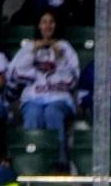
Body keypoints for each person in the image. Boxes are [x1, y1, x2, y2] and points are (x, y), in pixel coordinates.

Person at [7, 9, 80, 170]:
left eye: (51, 22)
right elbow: (15, 72)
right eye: (44, 22)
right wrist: (32, 52)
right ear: (39, 25)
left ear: (56, 25)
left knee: (52, 112)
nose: (48, 26)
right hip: (33, 98)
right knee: (33, 113)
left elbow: (73, 79)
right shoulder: (29, 46)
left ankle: (59, 163)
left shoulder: (65, 47)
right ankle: (32, 162)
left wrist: (59, 57)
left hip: (59, 98)